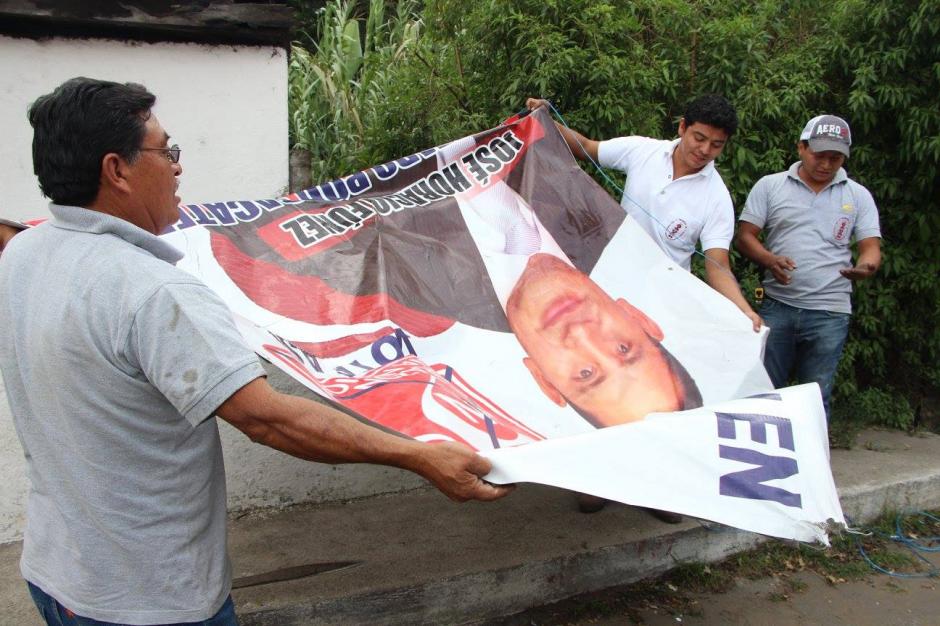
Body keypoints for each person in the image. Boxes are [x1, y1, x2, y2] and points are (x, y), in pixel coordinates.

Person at [0, 77, 511, 626]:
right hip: (149, 601)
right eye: (165, 151)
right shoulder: (154, 291)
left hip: (56, 575)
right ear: (116, 170)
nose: (177, 167)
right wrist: (421, 457)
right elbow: (268, 421)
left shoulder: (24, 254)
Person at [526, 95, 762, 333]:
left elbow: (718, 265)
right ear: (683, 127)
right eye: (699, 138)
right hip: (611, 284)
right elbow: (587, 147)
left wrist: (744, 310)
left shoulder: (717, 197)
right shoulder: (643, 150)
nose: (705, 150)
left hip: (663, 306)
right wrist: (544, 120)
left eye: (716, 145)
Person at [734, 114, 881, 415]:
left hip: (830, 311)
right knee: (764, 393)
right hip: (778, 305)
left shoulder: (857, 195)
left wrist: (866, 268)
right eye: (819, 155)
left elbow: (870, 248)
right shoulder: (771, 186)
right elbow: (745, 237)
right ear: (801, 147)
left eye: (835, 158)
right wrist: (768, 259)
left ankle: (814, 447)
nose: (826, 164)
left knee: (816, 395)